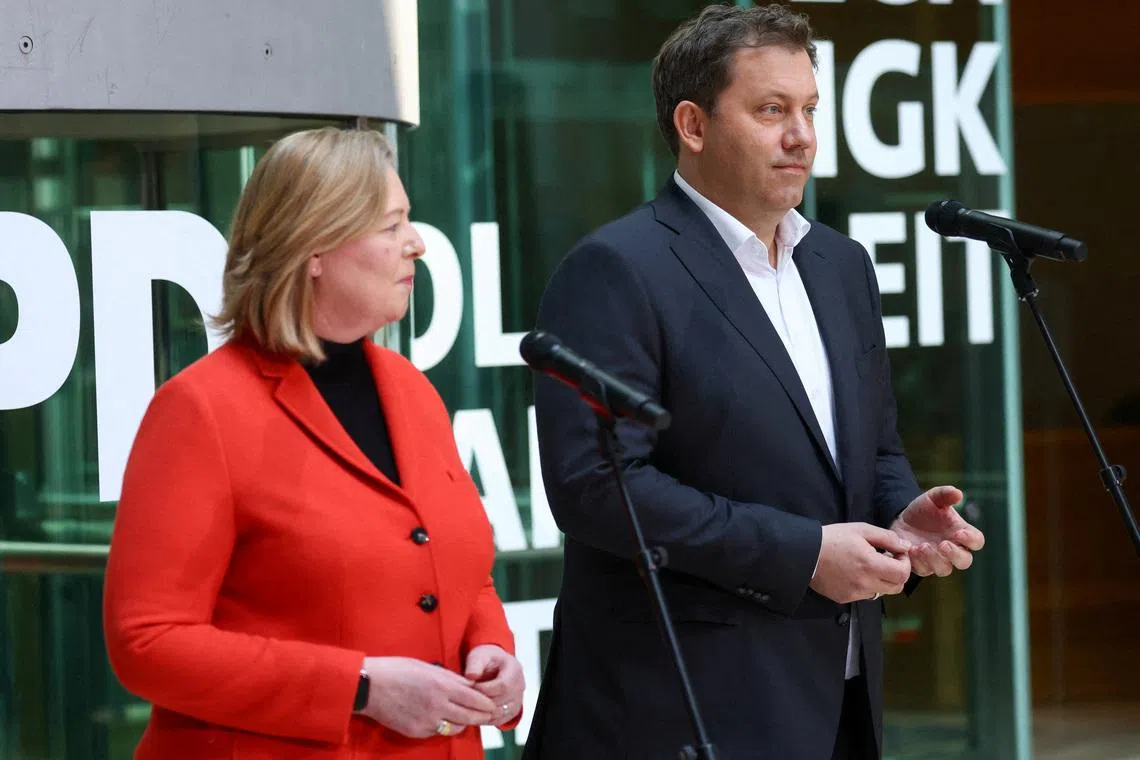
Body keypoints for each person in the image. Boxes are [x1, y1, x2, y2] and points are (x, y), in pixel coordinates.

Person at [522, 5, 985, 760]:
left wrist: (901, 513)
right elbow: (597, 489)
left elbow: (872, 448)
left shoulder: (842, 267)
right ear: (693, 126)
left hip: (839, 693)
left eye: (808, 109)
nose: (801, 135)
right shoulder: (617, 270)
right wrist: (804, 552)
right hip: (683, 708)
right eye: (771, 110)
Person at [103, 127, 524, 760]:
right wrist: (359, 687)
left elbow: (453, 568)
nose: (417, 244)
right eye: (392, 225)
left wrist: (490, 646)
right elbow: (148, 642)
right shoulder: (201, 410)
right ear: (314, 248)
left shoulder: (411, 391)